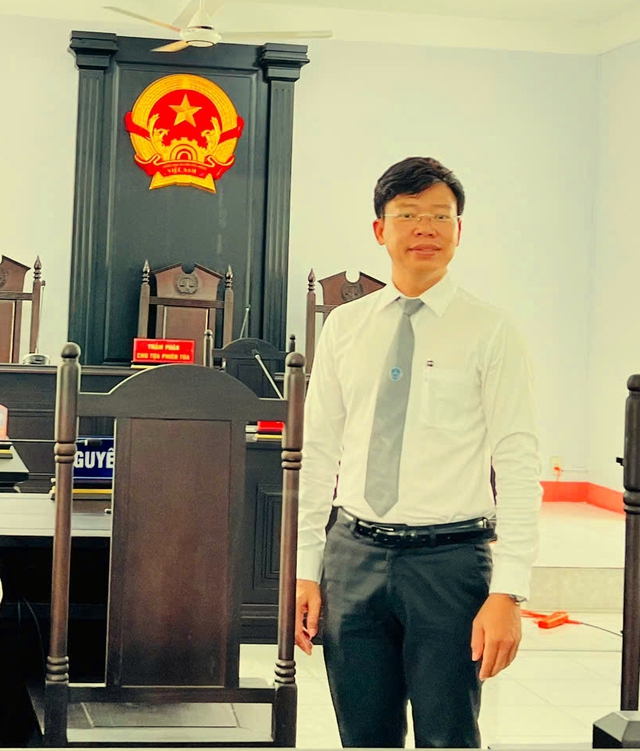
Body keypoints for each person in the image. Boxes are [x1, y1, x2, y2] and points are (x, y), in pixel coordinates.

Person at [295, 156, 542, 748]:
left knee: (448, 735)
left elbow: (518, 462)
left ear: (460, 229)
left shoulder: (491, 330)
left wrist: (508, 590)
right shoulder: (345, 327)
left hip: (449, 565)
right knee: (363, 735)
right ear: (380, 229)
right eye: (408, 214)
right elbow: (317, 451)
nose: (425, 227)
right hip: (352, 557)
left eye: (440, 215)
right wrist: (304, 569)